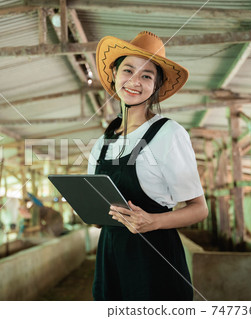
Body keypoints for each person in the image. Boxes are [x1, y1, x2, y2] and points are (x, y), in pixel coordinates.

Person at [88, 31, 208, 301]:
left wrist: (154, 221)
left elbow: (200, 209)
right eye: (128, 71)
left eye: (146, 76)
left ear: (155, 86)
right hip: (110, 257)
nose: (134, 81)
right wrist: (92, 212)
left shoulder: (169, 133)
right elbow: (98, 214)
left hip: (155, 257)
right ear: (115, 75)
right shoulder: (102, 143)